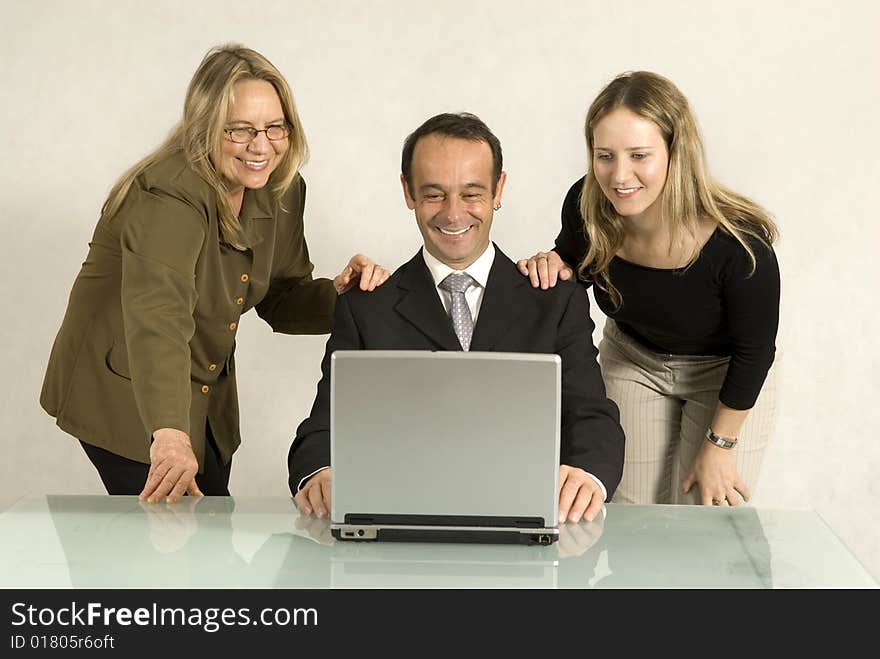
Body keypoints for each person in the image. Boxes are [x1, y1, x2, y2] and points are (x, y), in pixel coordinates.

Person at [40, 44, 389, 504]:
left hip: (204, 395)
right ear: (204, 127)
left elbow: (283, 297)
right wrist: (169, 436)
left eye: (274, 128)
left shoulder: (280, 187)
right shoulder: (167, 194)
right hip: (128, 391)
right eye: (240, 130)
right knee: (171, 553)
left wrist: (343, 295)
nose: (261, 146)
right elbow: (158, 317)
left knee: (199, 545)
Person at [288, 112, 625, 524]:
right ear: (407, 191)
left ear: (499, 189)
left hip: (527, 528)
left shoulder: (554, 300)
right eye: (433, 194)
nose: (452, 214)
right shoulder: (366, 306)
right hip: (397, 528)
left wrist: (587, 475)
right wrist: (319, 472)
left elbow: (592, 416)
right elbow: (321, 427)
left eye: (471, 193)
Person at [518, 71, 780, 507]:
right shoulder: (586, 206)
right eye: (605, 156)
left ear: (677, 152)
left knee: (709, 519)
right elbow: (571, 259)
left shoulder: (740, 248)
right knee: (628, 514)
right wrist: (551, 264)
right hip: (633, 359)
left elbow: (755, 352)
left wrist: (720, 446)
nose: (620, 176)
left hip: (726, 373)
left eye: (639, 155)